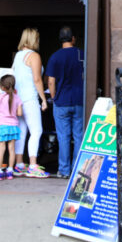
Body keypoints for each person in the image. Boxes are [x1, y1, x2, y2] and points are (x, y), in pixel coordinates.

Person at [46, 26, 85, 178]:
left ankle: (64, 170)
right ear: (73, 38)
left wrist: (54, 97)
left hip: (61, 101)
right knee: (79, 136)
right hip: (79, 99)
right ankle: (77, 169)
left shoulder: (55, 57)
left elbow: (51, 81)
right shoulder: (82, 54)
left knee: (63, 137)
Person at [11, 28, 49, 178]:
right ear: (34, 39)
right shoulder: (34, 56)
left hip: (17, 99)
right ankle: (33, 165)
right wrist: (43, 99)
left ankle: (19, 164)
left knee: (21, 131)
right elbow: (37, 79)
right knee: (37, 131)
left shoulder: (18, 56)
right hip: (30, 98)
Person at [0, 74, 22, 181]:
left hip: (2, 126)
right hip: (13, 126)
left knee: (1, 149)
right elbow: (20, 113)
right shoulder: (17, 98)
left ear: (3, 87)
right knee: (12, 149)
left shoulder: (1, 96)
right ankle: (10, 171)